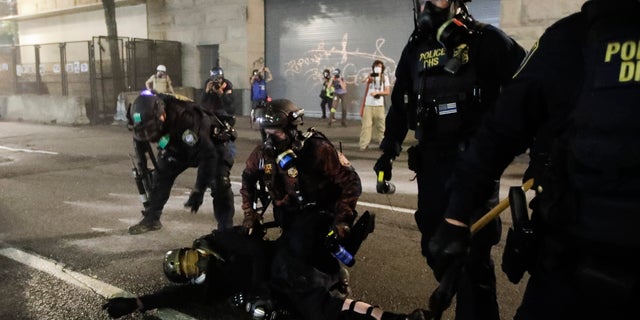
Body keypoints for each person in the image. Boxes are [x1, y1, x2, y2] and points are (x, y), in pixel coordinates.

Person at [428, 1, 640, 319]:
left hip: (569, 268)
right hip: (568, 262)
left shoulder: (566, 38)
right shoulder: (570, 39)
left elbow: (500, 130)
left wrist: (456, 217)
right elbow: (501, 129)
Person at [373, 0, 526, 319]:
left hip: (474, 164)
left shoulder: (488, 40)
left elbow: (531, 87)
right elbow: (401, 102)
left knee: (472, 256)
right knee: (436, 246)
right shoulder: (415, 48)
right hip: (431, 164)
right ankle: (453, 280)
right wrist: (389, 148)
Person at [239, 99, 426, 320]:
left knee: (296, 277)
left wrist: (342, 221)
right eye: (266, 133)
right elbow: (247, 179)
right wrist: (250, 214)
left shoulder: (317, 150)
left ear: (292, 130)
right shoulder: (262, 155)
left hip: (318, 218)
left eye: (276, 134)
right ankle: (327, 275)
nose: (270, 140)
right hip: (290, 221)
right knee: (263, 257)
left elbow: (351, 182)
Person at [102, 226, 425, 320]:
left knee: (308, 279)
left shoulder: (218, 242)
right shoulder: (206, 286)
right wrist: (137, 303)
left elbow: (255, 249)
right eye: (187, 270)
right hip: (278, 288)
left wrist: (259, 289)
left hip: (281, 261)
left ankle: (347, 241)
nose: (194, 265)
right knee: (318, 311)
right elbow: (175, 294)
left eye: (188, 258)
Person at [126, 91, 236, 234]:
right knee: (160, 177)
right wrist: (144, 169)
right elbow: (139, 139)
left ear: (162, 116)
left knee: (220, 182)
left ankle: (225, 230)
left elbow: (208, 155)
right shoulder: (144, 117)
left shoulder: (186, 120)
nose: (148, 134)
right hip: (176, 145)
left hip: (210, 146)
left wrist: (199, 190)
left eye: (150, 129)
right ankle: (152, 219)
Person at [201, 66, 237, 157]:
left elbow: (230, 102)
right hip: (210, 111)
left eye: (219, 78)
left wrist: (221, 93)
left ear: (222, 77)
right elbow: (202, 100)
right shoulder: (208, 84)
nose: (217, 81)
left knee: (226, 132)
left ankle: (230, 153)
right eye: (214, 79)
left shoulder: (227, 85)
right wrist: (206, 91)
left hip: (224, 111)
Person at [359, 60, 391, 151]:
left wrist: (378, 92)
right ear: (373, 67)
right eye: (376, 66)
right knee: (366, 126)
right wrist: (368, 78)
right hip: (368, 105)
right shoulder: (370, 75)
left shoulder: (385, 77)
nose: (378, 68)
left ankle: (382, 143)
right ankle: (363, 145)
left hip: (379, 105)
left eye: (380, 67)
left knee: (381, 126)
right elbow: (362, 80)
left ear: (382, 68)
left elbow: (387, 91)